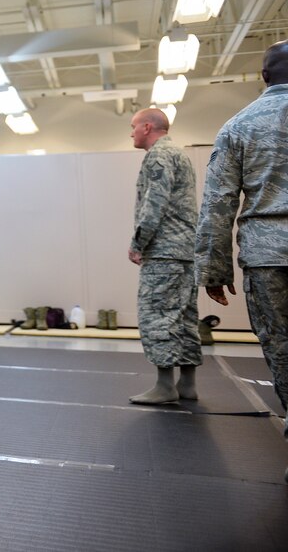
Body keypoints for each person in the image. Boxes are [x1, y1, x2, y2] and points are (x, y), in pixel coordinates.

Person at [195, 40, 288, 476]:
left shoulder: (239, 125)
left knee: (283, 348)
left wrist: (213, 269)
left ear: (264, 77)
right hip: (267, 254)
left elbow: (217, 203)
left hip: (268, 255)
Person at [126, 108, 202, 405]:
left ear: (147, 127)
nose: (131, 132)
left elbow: (153, 204)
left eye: (133, 127)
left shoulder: (158, 156)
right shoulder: (179, 154)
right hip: (184, 252)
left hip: (164, 252)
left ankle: (164, 385)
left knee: (158, 316)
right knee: (184, 317)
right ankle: (187, 383)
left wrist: (138, 243)